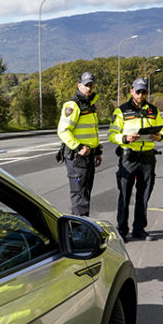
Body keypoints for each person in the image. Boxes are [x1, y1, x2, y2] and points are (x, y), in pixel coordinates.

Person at [107, 77, 163, 241]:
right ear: (132, 91)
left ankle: (139, 229)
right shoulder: (121, 111)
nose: (141, 94)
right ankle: (122, 230)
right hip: (129, 156)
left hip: (147, 158)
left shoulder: (153, 110)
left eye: (144, 92)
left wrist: (159, 136)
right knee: (125, 195)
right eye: (138, 91)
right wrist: (125, 138)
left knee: (144, 195)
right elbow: (111, 135)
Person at [57, 71, 103, 216]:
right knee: (79, 196)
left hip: (89, 155)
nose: (89, 88)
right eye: (86, 85)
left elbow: (92, 132)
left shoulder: (90, 105)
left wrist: (98, 151)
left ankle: (84, 228)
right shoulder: (73, 105)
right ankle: (78, 233)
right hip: (78, 157)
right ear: (79, 85)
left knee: (85, 193)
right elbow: (63, 130)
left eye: (91, 85)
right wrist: (78, 147)